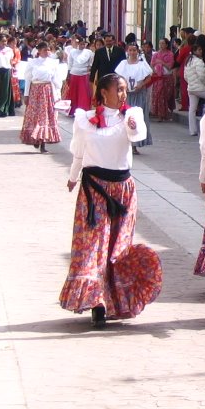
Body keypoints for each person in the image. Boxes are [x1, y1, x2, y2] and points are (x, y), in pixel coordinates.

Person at [60, 74, 163, 328]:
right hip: (94, 188)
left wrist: (131, 124)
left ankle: (114, 299)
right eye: (118, 89)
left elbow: (138, 135)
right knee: (94, 244)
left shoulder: (132, 113)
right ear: (103, 92)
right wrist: (73, 178)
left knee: (117, 248)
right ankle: (95, 301)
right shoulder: (85, 119)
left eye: (125, 89)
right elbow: (79, 152)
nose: (123, 94)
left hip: (122, 189)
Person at [19, 42, 62, 153]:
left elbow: (56, 79)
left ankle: (42, 142)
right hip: (35, 91)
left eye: (48, 50)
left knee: (45, 116)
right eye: (44, 50)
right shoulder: (33, 63)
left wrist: (58, 94)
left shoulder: (53, 63)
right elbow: (28, 79)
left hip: (47, 91)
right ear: (39, 51)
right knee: (35, 115)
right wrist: (26, 94)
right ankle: (36, 138)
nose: (47, 52)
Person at [116, 43, 153, 154]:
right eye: (130, 50)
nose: (132, 52)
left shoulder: (142, 64)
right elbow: (119, 77)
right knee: (125, 116)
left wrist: (141, 85)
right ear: (128, 51)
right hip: (127, 94)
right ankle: (125, 142)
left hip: (139, 93)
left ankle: (135, 144)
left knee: (137, 118)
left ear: (137, 51)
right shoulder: (123, 64)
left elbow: (148, 77)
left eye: (134, 50)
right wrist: (124, 87)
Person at [184, 36, 205, 137]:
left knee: (192, 109)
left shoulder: (188, 61)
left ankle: (192, 130)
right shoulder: (199, 62)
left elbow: (185, 76)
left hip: (191, 88)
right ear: (195, 51)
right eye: (199, 50)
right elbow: (202, 76)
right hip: (200, 88)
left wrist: (190, 83)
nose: (201, 51)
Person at [65, 35, 93, 116]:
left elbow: (91, 63)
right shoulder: (72, 52)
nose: (82, 46)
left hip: (84, 74)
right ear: (77, 44)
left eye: (84, 44)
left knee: (83, 93)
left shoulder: (89, 52)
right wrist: (68, 74)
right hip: (74, 74)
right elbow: (70, 64)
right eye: (80, 44)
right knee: (74, 93)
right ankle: (73, 110)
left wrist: (89, 68)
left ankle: (84, 110)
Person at [149, 39, 176, 122]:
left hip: (167, 77)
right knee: (159, 96)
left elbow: (170, 66)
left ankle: (166, 113)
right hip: (158, 77)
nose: (161, 45)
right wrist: (155, 71)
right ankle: (160, 115)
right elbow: (152, 65)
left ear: (166, 45)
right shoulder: (156, 54)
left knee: (166, 96)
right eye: (160, 43)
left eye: (163, 43)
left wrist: (161, 62)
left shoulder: (170, 54)